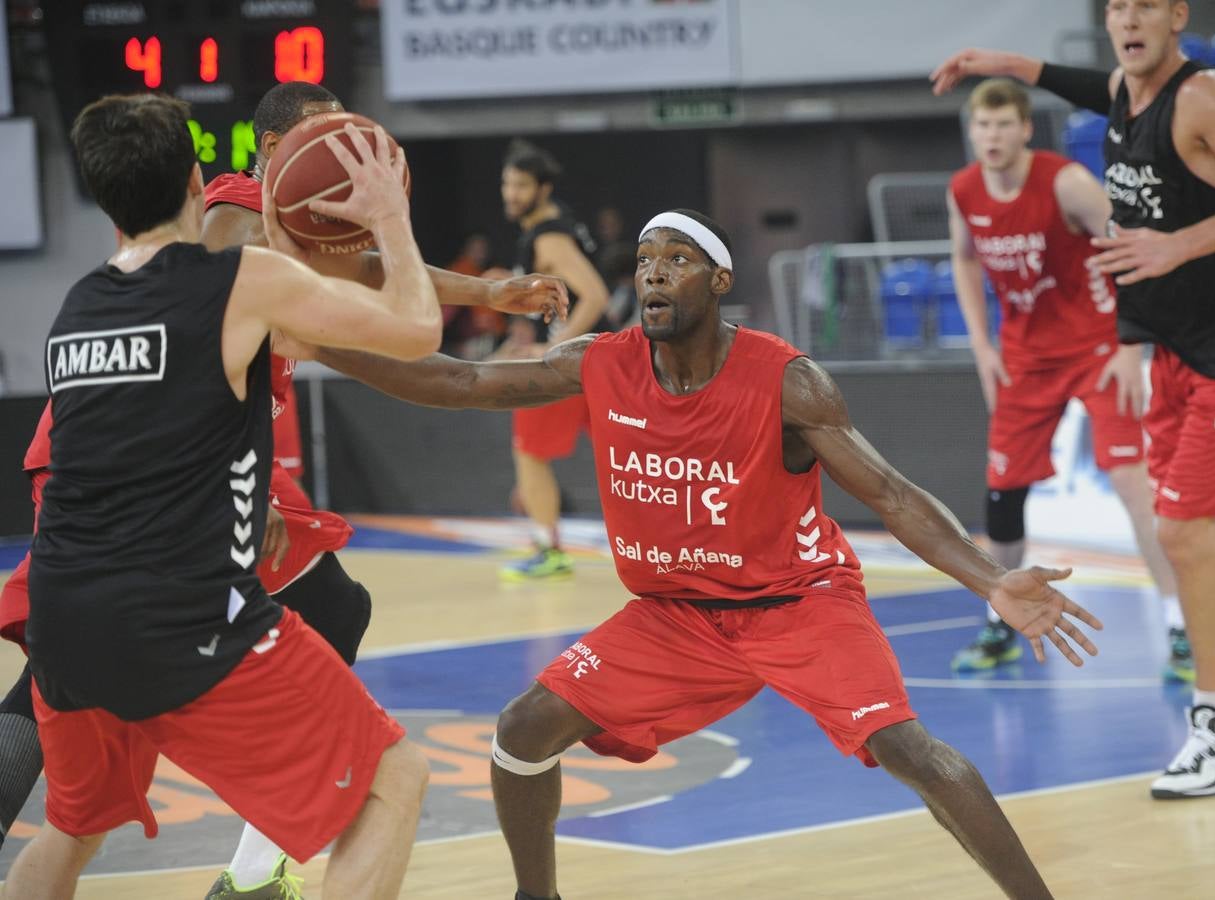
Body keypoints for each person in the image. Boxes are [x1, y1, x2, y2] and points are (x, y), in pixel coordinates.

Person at [318, 208, 1104, 900]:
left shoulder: (787, 381)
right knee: (522, 730)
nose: (653, 272)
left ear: (720, 279)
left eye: (676, 259)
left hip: (799, 602)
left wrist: (991, 579)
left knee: (910, 749)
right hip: (675, 619)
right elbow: (458, 381)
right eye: (645, 262)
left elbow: (893, 495)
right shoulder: (602, 360)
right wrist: (312, 338)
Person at [0, 81, 568, 900]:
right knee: (392, 775)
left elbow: (371, 297)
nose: (340, 159)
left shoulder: (81, 304)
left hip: (80, 566)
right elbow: (401, 321)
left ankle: (256, 866)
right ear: (219, 175)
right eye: (322, 143)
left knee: (72, 824)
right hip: (164, 584)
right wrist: (387, 210)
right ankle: (258, 873)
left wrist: (481, 291)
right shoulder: (237, 254)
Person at [930, 0, 1215, 799]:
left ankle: (1214, 725)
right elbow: (1081, 82)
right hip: (1180, 352)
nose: (1128, 17)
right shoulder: (1125, 89)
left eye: (1145, 5)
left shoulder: (1205, 98)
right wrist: (1006, 64)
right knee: (1195, 523)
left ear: (1177, 16)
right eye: (1117, 5)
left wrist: (1175, 245)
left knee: (1180, 528)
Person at [946, 77, 1189, 680]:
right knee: (1002, 494)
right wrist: (982, 345)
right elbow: (964, 259)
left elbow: (1131, 250)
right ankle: (1001, 622)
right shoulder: (963, 190)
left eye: (1004, 125)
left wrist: (1133, 343)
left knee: (1134, 485)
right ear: (973, 133)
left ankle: (1181, 626)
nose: (993, 136)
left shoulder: (1066, 183)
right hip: (1025, 358)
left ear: (1025, 129)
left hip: (1098, 347)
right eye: (983, 126)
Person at [494, 139, 613, 582]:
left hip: (573, 365)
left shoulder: (549, 237)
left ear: (542, 189)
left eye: (521, 185)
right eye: (506, 184)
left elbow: (595, 295)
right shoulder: (551, 229)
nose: (511, 194)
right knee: (627, 454)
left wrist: (552, 347)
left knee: (529, 452)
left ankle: (548, 549)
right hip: (600, 361)